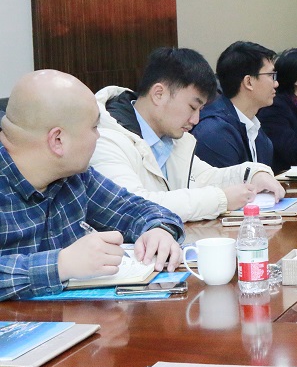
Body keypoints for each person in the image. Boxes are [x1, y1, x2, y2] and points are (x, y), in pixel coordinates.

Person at [0, 70, 183, 301]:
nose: (98, 137)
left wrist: (158, 230)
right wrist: (61, 265)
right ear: (58, 140)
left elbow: (133, 209)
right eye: (94, 127)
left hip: (74, 318)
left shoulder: (75, 177)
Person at [91, 48, 286, 222]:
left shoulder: (175, 138)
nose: (196, 119)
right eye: (192, 107)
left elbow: (206, 178)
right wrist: (221, 200)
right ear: (159, 94)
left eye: (200, 109)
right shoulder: (104, 139)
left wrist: (252, 174)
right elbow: (135, 206)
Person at [193, 41, 277, 168]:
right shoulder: (215, 133)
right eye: (271, 75)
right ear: (248, 82)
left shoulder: (255, 130)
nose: (276, 83)